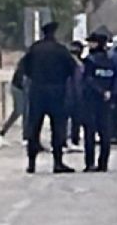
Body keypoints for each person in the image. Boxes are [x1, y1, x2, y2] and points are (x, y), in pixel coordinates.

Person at [20, 21, 77, 174]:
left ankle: (31, 163)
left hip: (37, 91)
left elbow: (24, 68)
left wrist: (36, 79)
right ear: (54, 33)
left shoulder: (34, 49)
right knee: (58, 128)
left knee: (34, 127)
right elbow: (72, 69)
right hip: (57, 91)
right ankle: (57, 163)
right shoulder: (61, 50)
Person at [81, 32, 115, 172]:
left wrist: (100, 91)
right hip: (106, 100)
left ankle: (90, 163)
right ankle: (103, 163)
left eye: (91, 42)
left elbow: (88, 80)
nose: (89, 45)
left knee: (90, 133)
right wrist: (108, 92)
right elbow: (113, 79)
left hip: (91, 100)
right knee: (105, 133)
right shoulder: (110, 61)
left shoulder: (90, 60)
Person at [0, 59, 30, 148]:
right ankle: (25, 138)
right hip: (19, 88)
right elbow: (23, 78)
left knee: (18, 112)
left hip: (20, 87)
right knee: (23, 111)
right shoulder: (29, 61)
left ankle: (2, 133)